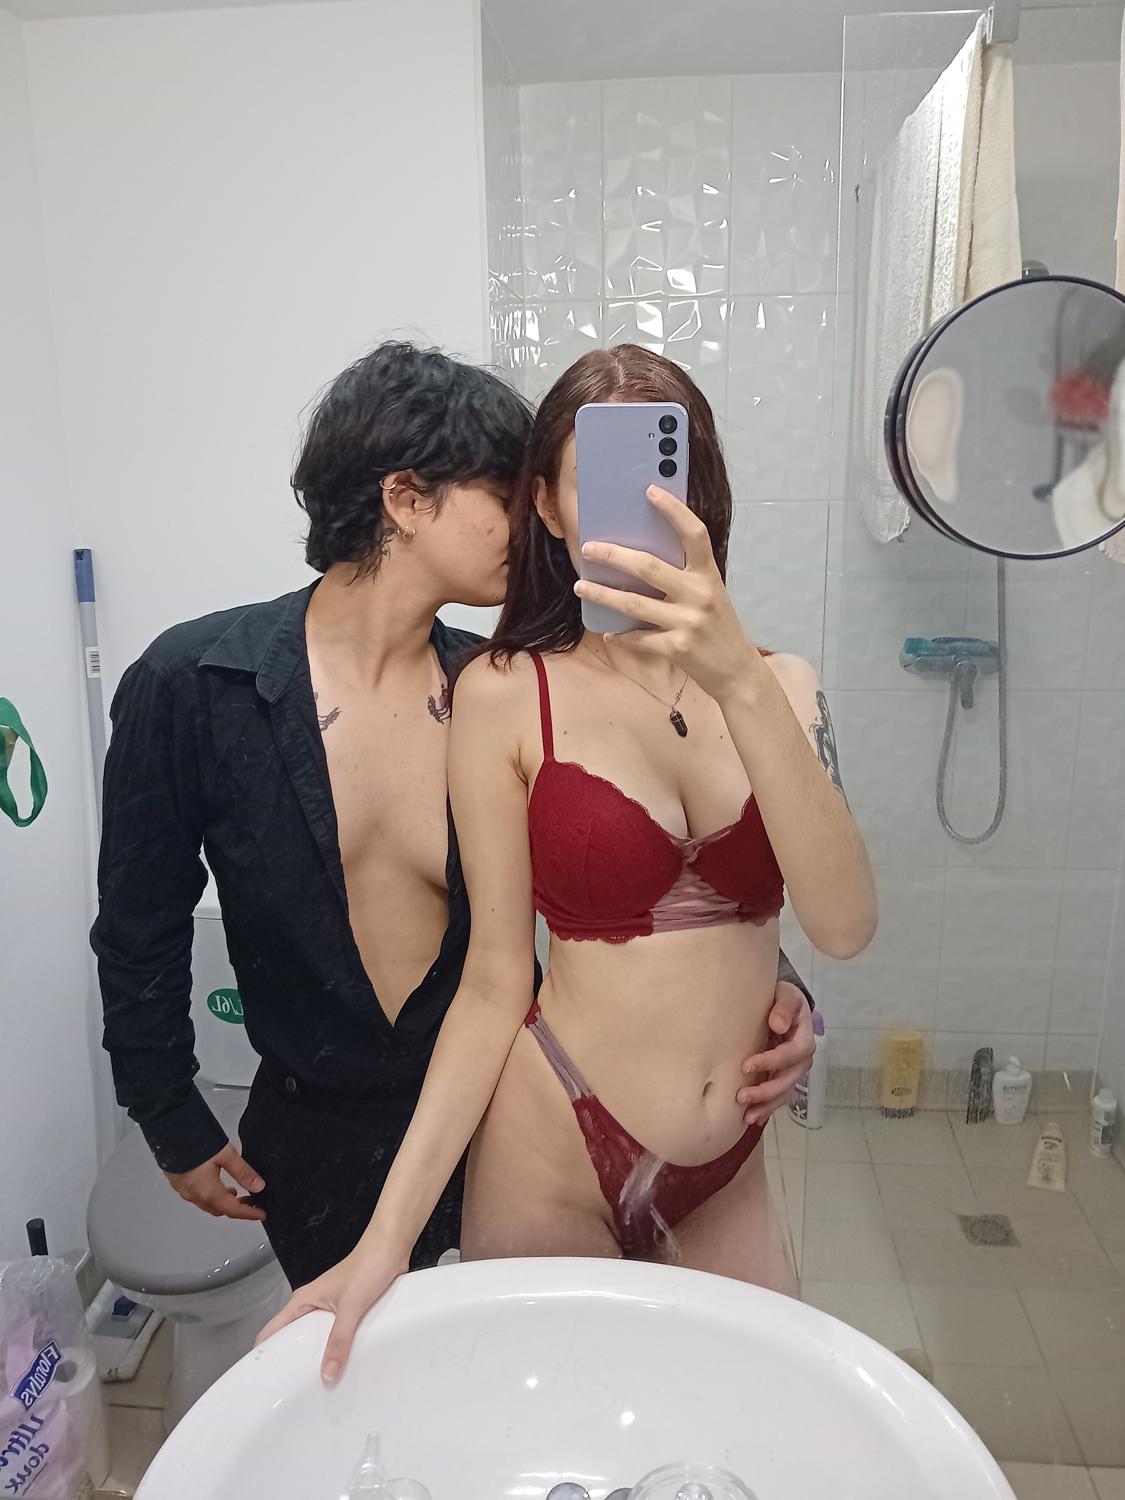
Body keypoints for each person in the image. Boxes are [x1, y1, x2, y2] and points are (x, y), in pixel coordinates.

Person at [91, 341, 818, 1293]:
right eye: (508, 495)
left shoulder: (496, 687)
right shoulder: (193, 685)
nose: (534, 522)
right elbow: (138, 926)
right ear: (405, 498)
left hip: (503, 1105)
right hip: (312, 1134)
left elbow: (659, 848)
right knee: (369, 1370)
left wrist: (776, 988)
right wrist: (169, 1117)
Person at [261, 345, 877, 1381]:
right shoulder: (504, 694)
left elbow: (844, 925)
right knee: (546, 1437)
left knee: (736, 1426)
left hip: (727, 1165)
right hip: (553, 1141)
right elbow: (494, 981)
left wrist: (737, 678)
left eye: (670, 472)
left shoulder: (783, 687)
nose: (647, 506)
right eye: (607, 480)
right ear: (545, 506)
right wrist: (384, 1243)